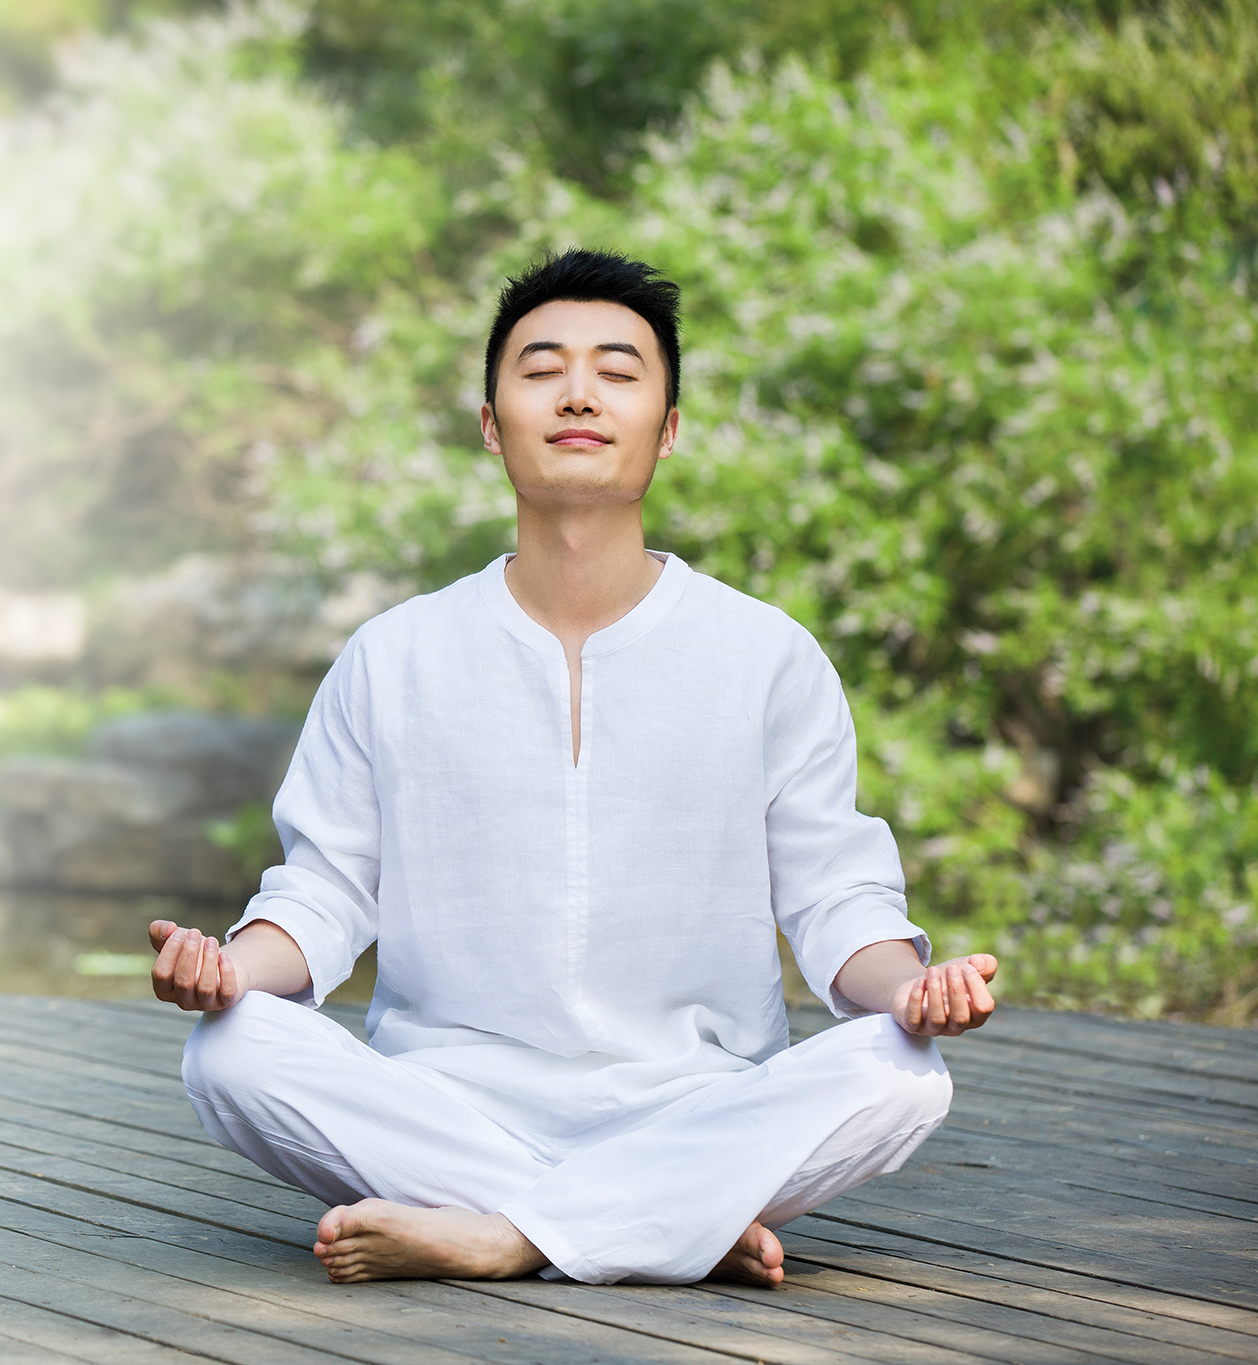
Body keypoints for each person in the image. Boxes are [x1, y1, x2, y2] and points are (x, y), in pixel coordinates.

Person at [145, 248, 1000, 1288]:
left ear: (668, 428)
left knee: (904, 1074)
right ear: (490, 421)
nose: (579, 393)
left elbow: (834, 899)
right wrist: (232, 972)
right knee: (228, 1050)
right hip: (445, 1108)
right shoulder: (393, 654)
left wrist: (913, 992)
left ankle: (506, 1236)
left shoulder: (766, 655)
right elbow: (322, 893)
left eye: (619, 371)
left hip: (695, 1103)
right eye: (542, 368)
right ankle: (662, 1226)